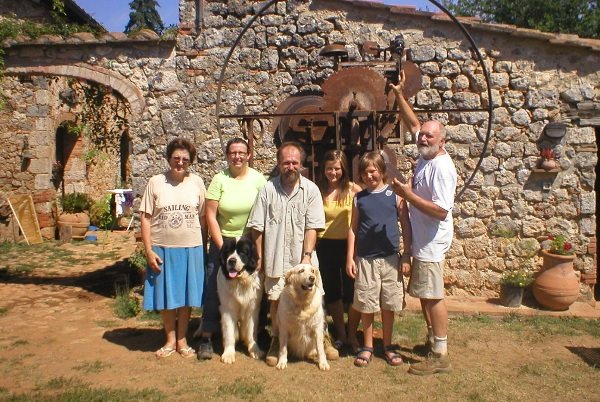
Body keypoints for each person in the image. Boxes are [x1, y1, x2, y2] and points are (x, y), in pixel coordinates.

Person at [247, 141, 338, 366]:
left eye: (294, 162)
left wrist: (307, 256)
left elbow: (313, 227)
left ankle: (322, 337)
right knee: (276, 299)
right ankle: (277, 341)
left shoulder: (311, 190)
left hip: (303, 258)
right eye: (286, 162)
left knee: (314, 298)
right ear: (279, 164)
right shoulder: (268, 190)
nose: (290, 167)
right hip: (276, 258)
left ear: (301, 164)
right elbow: (257, 227)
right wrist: (260, 256)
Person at [390, 73, 457, 375]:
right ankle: (432, 342)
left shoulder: (441, 168)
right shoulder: (426, 154)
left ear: (442, 140)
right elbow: (413, 123)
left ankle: (440, 354)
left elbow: (441, 211)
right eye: (423, 136)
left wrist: (407, 195)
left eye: (430, 136)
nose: (423, 138)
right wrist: (399, 95)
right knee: (425, 295)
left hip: (432, 240)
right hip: (422, 239)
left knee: (432, 296)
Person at [196, 138, 267, 360]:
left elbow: (265, 212)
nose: (237, 156)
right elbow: (210, 215)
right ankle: (207, 338)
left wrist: (259, 249)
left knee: (254, 295)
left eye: (241, 152)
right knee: (213, 290)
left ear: (248, 155)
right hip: (224, 242)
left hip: (249, 243)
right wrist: (222, 249)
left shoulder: (258, 179)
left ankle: (253, 338)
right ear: (227, 155)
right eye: (233, 153)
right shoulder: (219, 179)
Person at [140, 137, 207, 358]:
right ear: (169, 158)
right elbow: (145, 218)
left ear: (190, 161)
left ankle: (182, 340)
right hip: (162, 248)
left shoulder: (197, 182)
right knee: (166, 296)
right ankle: (169, 340)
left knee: (187, 297)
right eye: (176, 158)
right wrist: (148, 250)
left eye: (185, 159)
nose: (180, 162)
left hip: (191, 248)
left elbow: (203, 218)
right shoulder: (156, 182)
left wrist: (203, 249)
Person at [346, 151, 411, 367]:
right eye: (365, 173)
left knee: (388, 304)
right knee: (366, 303)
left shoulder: (395, 195)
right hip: (366, 260)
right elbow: (353, 228)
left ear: (382, 171)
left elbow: (405, 225)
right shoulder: (359, 198)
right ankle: (368, 346)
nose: (369, 176)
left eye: (373, 171)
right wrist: (350, 258)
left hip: (390, 259)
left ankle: (388, 345)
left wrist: (406, 255)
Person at [316, 150, 362, 353]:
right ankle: (341, 334)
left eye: (336, 168)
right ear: (323, 169)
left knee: (352, 291)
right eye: (329, 168)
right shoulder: (318, 191)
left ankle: (353, 334)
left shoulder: (353, 190)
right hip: (324, 245)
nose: (333, 172)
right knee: (332, 291)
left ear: (343, 169)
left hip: (348, 245)